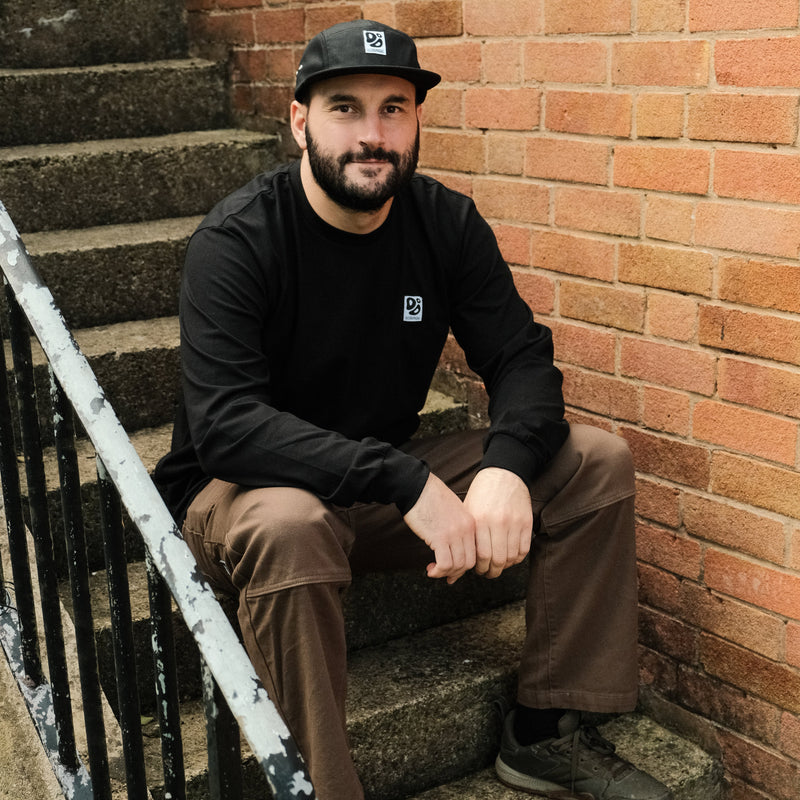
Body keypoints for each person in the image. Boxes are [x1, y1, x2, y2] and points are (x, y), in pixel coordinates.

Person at [154, 19, 672, 800]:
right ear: (300, 121)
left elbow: (522, 358)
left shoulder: (444, 222)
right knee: (292, 526)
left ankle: (543, 731)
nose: (372, 135)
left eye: (394, 108)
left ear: (419, 119)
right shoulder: (238, 240)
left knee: (593, 465)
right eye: (345, 109)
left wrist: (503, 467)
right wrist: (402, 478)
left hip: (370, 491)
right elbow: (228, 426)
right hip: (246, 498)